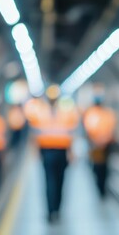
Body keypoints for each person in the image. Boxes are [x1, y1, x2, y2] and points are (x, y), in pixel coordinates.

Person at [34, 85, 80, 222]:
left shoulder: (65, 112)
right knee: (50, 181)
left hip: (62, 151)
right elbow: (35, 133)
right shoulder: (40, 111)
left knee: (60, 181)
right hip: (47, 150)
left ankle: (57, 209)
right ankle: (50, 211)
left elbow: (70, 133)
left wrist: (71, 152)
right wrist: (36, 151)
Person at [83, 95, 117, 198]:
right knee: (100, 166)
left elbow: (111, 128)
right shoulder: (102, 113)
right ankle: (100, 187)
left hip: (103, 144)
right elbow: (89, 129)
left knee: (102, 166)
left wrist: (102, 140)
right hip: (99, 144)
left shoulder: (97, 113)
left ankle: (101, 186)